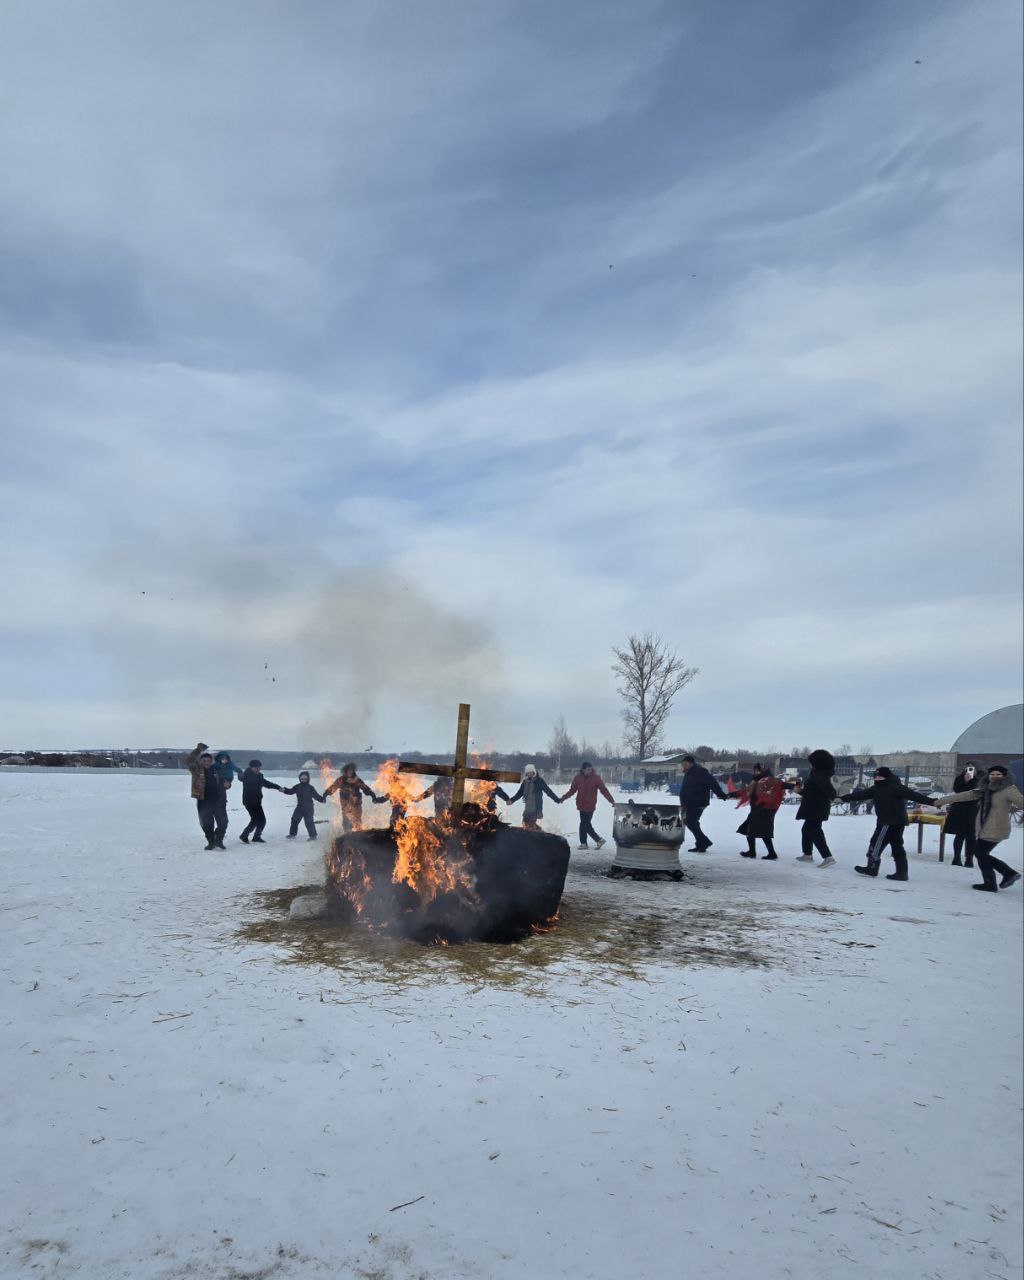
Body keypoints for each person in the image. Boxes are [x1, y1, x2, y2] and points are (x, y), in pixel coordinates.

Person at [934, 765, 1023, 892]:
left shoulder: (1009, 789)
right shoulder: (985, 789)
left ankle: (999, 878)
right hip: (986, 828)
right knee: (981, 854)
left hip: (997, 828)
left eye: (998, 774)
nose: (995, 777)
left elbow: (1021, 802)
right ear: (988, 776)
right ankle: (1004, 876)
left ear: (1004, 776)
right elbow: (964, 795)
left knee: (980, 854)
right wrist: (941, 801)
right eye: (992, 774)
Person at [839, 768, 935, 881]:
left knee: (876, 844)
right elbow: (860, 795)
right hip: (894, 822)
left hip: (888, 822)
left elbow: (914, 795)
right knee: (897, 846)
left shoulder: (896, 787)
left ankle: (872, 868)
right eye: (875, 777)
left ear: (887, 777)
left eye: (880, 777)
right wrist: (843, 799)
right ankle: (902, 873)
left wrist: (932, 802)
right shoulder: (876, 788)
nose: (877, 779)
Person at [792, 750, 838, 868]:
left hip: (816, 809)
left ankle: (828, 857)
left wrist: (835, 797)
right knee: (806, 830)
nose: (810, 765)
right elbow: (811, 792)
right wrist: (800, 791)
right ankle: (807, 854)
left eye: (812, 762)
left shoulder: (820, 776)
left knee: (815, 832)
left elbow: (831, 792)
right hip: (813, 807)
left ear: (818, 763)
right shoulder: (816, 774)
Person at [678, 755, 729, 852]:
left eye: (685, 764)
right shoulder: (689, 773)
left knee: (690, 821)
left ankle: (704, 842)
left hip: (698, 802)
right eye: (682, 765)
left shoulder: (700, 771)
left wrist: (721, 794)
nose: (683, 766)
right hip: (689, 803)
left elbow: (712, 783)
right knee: (691, 822)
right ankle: (701, 844)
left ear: (691, 763)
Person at [561, 761, 615, 850]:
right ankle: (583, 843)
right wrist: (563, 798)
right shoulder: (578, 778)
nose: (590, 771)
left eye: (591, 769)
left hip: (590, 805)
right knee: (583, 823)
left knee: (585, 824)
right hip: (581, 804)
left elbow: (604, 790)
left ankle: (598, 840)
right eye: (588, 769)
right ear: (583, 770)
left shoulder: (596, 778)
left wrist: (611, 801)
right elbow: (572, 790)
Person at [185, 741, 228, 850]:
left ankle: (219, 840)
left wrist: (228, 785)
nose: (206, 763)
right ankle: (211, 842)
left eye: (209, 761)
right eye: (204, 761)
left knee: (223, 823)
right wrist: (198, 750)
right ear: (201, 761)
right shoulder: (196, 769)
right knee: (207, 824)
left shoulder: (216, 770)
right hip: (203, 801)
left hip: (218, 801)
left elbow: (223, 782)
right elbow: (189, 760)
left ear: (211, 761)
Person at [737, 764, 784, 860]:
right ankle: (754, 852)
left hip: (763, 810)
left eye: (757, 771)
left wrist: (795, 786)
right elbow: (748, 791)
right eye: (755, 771)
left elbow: (781, 785)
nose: (756, 773)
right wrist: (733, 794)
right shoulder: (756, 780)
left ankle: (770, 853)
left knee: (761, 832)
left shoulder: (769, 780)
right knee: (750, 830)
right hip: (757, 810)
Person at [324, 762, 385, 831]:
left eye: (352, 770)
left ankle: (359, 834)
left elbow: (365, 788)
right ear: (346, 771)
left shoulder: (357, 780)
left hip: (356, 805)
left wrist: (373, 796)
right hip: (345, 806)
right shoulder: (341, 780)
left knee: (357, 822)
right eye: (349, 770)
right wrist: (325, 794)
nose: (350, 772)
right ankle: (348, 835)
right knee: (346, 823)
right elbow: (333, 788)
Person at [943, 762, 982, 867]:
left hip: (973, 810)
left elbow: (977, 792)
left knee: (971, 836)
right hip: (959, 809)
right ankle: (956, 858)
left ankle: (969, 859)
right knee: (960, 835)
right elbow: (957, 790)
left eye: (972, 767)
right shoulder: (960, 778)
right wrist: (965, 780)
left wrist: (972, 780)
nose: (969, 769)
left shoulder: (980, 779)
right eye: (968, 767)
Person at [238, 759, 285, 844]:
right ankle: (244, 835)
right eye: (256, 768)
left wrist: (278, 787)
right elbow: (241, 777)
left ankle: (256, 837)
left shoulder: (259, 776)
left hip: (257, 801)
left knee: (262, 820)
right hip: (249, 802)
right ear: (251, 767)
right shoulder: (246, 775)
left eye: (259, 767)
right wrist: (240, 774)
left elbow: (267, 783)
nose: (258, 769)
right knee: (255, 820)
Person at [506, 763, 562, 831]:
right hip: (528, 808)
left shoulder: (539, 781)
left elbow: (548, 791)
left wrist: (556, 799)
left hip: (536, 808)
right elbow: (519, 793)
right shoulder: (525, 782)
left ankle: (540, 834)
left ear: (534, 772)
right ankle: (539, 832)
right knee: (525, 824)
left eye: (530, 772)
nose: (529, 774)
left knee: (529, 825)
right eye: (527, 773)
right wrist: (511, 800)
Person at [283, 771, 327, 840]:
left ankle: (313, 836)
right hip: (299, 807)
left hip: (309, 808)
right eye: (302, 779)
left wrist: (322, 800)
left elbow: (316, 796)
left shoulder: (310, 788)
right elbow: (290, 791)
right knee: (294, 820)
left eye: (305, 779)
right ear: (300, 779)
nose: (303, 780)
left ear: (308, 779)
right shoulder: (297, 786)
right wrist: (284, 790)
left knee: (309, 822)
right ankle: (292, 834)